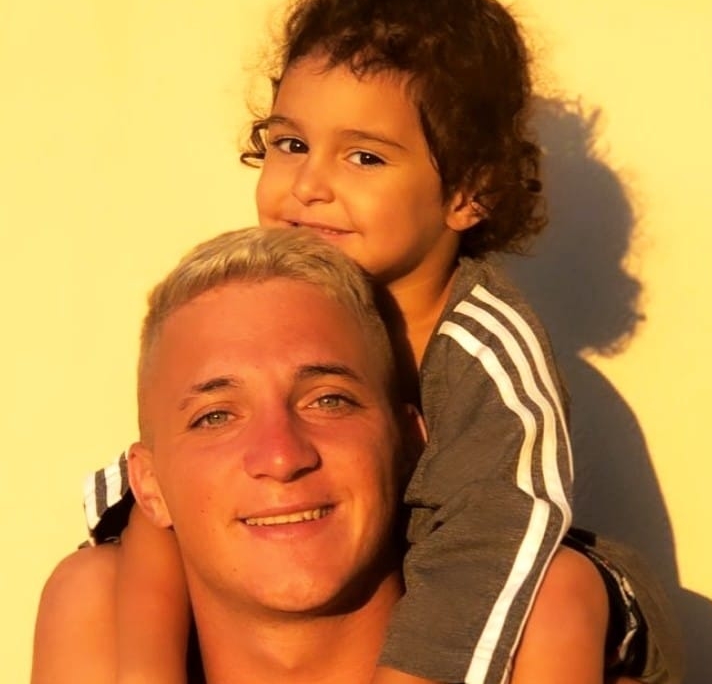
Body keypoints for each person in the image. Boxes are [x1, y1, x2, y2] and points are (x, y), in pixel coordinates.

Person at [40, 0, 684, 682]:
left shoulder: (486, 347)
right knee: (108, 566)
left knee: (563, 589)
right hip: (360, 562)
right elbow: (153, 493)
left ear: (467, 193)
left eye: (365, 158)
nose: (310, 184)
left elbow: (491, 544)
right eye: (291, 144)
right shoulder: (269, 300)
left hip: (491, 576)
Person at [32, 227, 673, 684]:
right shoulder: (96, 624)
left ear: (412, 443)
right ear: (147, 486)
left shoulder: (552, 640)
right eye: (216, 416)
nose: (281, 456)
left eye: (329, 400)